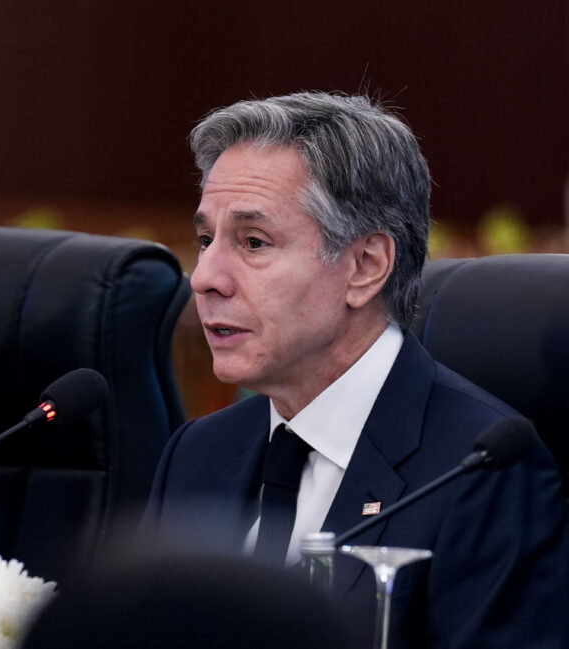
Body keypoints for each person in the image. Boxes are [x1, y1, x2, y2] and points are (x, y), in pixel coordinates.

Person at [144, 92, 569, 648]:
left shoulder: (483, 475)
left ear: (366, 267)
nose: (204, 277)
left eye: (253, 242)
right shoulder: (195, 453)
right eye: (206, 240)